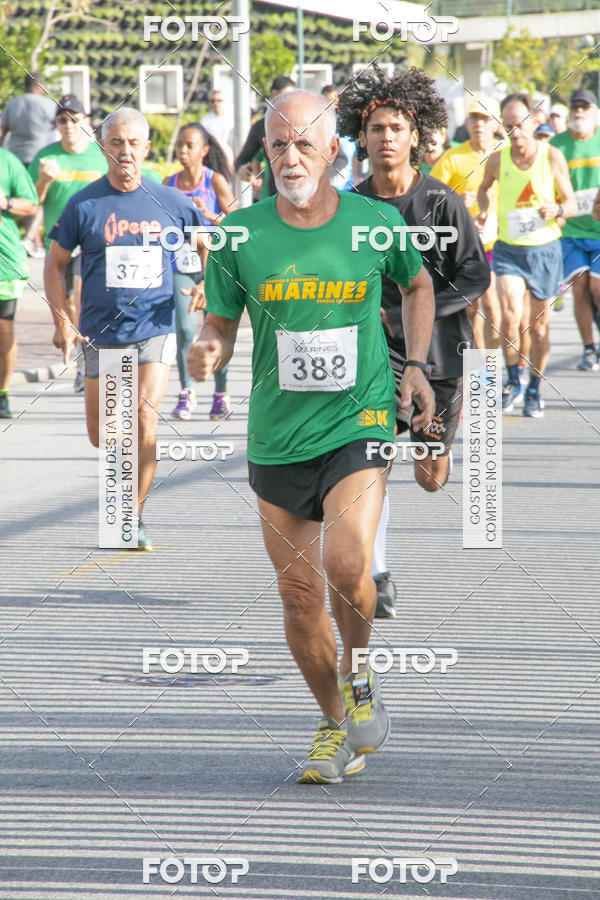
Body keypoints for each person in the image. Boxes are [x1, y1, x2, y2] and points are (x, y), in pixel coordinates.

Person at [187, 90, 436, 783]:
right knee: (299, 596)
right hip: (277, 433)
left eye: (303, 143)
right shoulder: (238, 236)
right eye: (277, 144)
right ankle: (334, 721)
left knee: (349, 565)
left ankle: (359, 674)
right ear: (263, 153)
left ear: (332, 151)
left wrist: (416, 365)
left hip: (359, 420)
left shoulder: (374, 223)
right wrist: (207, 350)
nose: (289, 157)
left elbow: (417, 287)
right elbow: (220, 324)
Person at [338, 66, 490, 618]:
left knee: (430, 475)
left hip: (439, 353)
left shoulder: (443, 203)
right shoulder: (350, 206)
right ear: (362, 137)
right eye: (377, 128)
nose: (386, 137)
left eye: (396, 128)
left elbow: (476, 275)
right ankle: (377, 574)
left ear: (415, 136)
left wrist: (419, 309)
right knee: (370, 460)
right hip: (373, 352)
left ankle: (438, 447)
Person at [44, 108, 203, 550]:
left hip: (155, 326)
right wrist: (62, 320)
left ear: (147, 148)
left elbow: (210, 242)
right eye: (116, 143)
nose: (126, 151)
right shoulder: (84, 204)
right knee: (105, 433)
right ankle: (124, 506)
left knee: (144, 418)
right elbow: (55, 265)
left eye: (134, 143)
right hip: (101, 331)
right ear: (103, 148)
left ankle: (131, 516)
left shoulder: (171, 202)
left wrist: (207, 284)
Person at [478, 93, 576, 418]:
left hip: (545, 251)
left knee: (539, 329)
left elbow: (571, 204)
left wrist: (557, 209)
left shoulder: (552, 156)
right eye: (508, 126)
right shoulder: (497, 160)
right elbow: (483, 189)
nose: (514, 132)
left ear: (534, 122)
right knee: (509, 318)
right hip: (509, 250)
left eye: (519, 124)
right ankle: (512, 381)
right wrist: (483, 211)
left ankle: (534, 388)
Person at [29, 94, 107, 393]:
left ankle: (87, 364)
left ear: (86, 121)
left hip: (95, 242)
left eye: (75, 119)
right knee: (69, 302)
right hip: (61, 242)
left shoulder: (100, 155)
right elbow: (31, 202)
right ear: (56, 124)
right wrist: (44, 180)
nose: (69, 125)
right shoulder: (46, 157)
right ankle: (82, 360)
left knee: (81, 300)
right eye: (62, 120)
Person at [164, 123, 236, 419]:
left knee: (217, 328)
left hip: (214, 267)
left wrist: (208, 215)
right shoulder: (168, 183)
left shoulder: (214, 180)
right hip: (182, 264)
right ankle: (186, 392)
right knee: (184, 329)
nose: (182, 150)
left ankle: (221, 394)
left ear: (204, 151)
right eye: (179, 144)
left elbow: (239, 221)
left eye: (189, 145)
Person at [431, 97, 503, 352]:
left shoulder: (506, 153)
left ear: (496, 123)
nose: (479, 124)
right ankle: (478, 371)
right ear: (468, 123)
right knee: (473, 308)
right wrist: (455, 199)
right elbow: (429, 196)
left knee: (494, 307)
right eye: (474, 119)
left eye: (484, 119)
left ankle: (494, 369)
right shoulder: (453, 157)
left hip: (500, 242)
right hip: (466, 243)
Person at [551, 89, 600, 371]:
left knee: (597, 288)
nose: (579, 111)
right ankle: (589, 348)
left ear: (594, 111)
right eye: (575, 106)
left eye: (585, 106)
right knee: (580, 288)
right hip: (570, 231)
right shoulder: (557, 145)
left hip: (598, 231)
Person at [0, 149, 38, 418]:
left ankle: (2, 393)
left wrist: (6, 202)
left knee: (3, 334)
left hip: (4, 265)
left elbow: (31, 204)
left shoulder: (8, 161)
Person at [0, 73, 56, 257]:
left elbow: (2, 132)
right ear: (40, 87)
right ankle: (31, 238)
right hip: (41, 158)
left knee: (25, 197)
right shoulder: (49, 105)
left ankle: (35, 243)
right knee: (40, 198)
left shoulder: (12, 104)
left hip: (16, 158)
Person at [235, 76, 295, 200]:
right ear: (273, 97)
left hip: (306, 195)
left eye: (292, 97)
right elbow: (242, 159)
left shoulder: (307, 123)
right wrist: (242, 170)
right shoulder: (262, 126)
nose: (287, 102)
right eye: (282, 98)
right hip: (275, 196)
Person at [200, 90, 234, 170]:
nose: (216, 103)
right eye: (213, 101)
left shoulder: (231, 119)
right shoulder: (205, 120)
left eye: (219, 100)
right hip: (212, 158)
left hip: (230, 157)